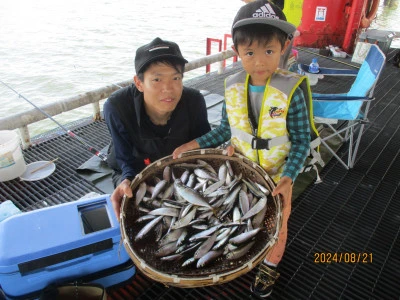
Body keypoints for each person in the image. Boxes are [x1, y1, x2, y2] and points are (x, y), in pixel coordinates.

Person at [174, 1, 312, 298]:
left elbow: (301, 140)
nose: (260, 62)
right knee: (244, 217)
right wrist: (193, 144)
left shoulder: (292, 91)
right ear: (237, 51)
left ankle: (270, 266)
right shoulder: (234, 87)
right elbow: (226, 130)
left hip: (277, 176)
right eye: (250, 53)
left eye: (269, 52)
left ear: (284, 47)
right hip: (240, 171)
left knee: (278, 223)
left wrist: (289, 177)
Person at [104, 37, 212, 220]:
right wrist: (126, 181)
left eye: (176, 78)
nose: (168, 89)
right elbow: (124, 160)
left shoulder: (194, 101)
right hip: (134, 164)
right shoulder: (117, 107)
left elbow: (205, 149)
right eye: (157, 79)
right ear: (139, 83)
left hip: (179, 171)